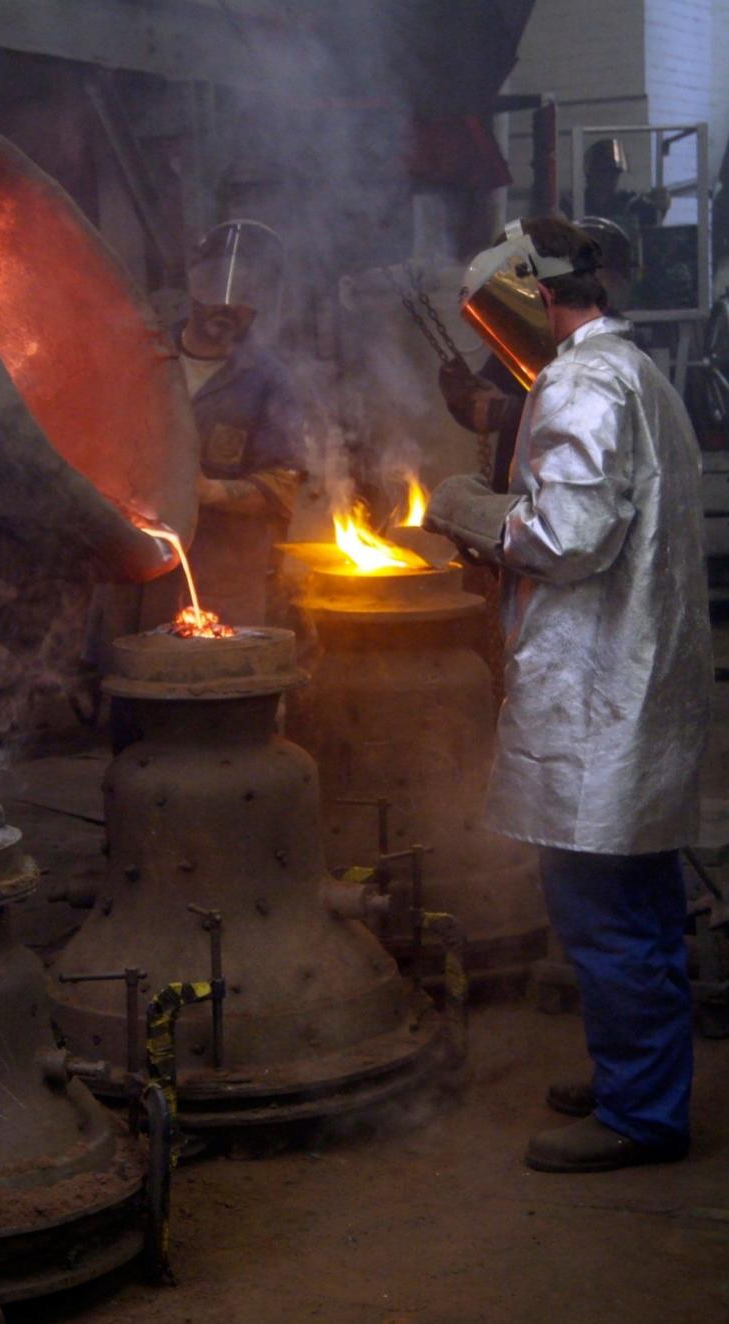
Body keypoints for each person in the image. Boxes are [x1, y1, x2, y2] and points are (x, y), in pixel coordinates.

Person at [423, 216, 711, 1173]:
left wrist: (474, 514)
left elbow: (571, 538)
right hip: (640, 686)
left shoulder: (582, 381)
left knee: (601, 908)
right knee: (642, 905)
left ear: (535, 296)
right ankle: (643, 1076)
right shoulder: (640, 373)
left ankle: (640, 1114)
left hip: (601, 697)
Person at [140, 219, 305, 628]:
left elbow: (283, 486)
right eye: (216, 287)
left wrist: (209, 492)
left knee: (219, 684)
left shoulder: (270, 382)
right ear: (194, 288)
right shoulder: (145, 358)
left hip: (224, 581)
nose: (228, 304)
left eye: (247, 294)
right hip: (138, 576)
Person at [437, 216, 633, 493]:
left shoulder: (591, 377)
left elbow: (573, 523)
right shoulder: (566, 351)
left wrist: (475, 515)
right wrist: (468, 394)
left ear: (540, 296)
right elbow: (486, 402)